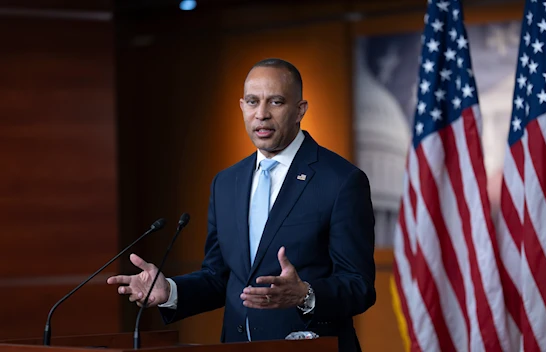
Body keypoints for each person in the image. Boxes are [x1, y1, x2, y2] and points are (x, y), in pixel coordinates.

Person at [107, 58, 376, 352]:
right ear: (242, 107)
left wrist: (305, 294)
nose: (261, 114)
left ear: (300, 110)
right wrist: (170, 290)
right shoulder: (226, 182)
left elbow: (359, 285)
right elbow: (218, 278)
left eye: (275, 102)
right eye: (252, 102)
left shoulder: (341, 180)